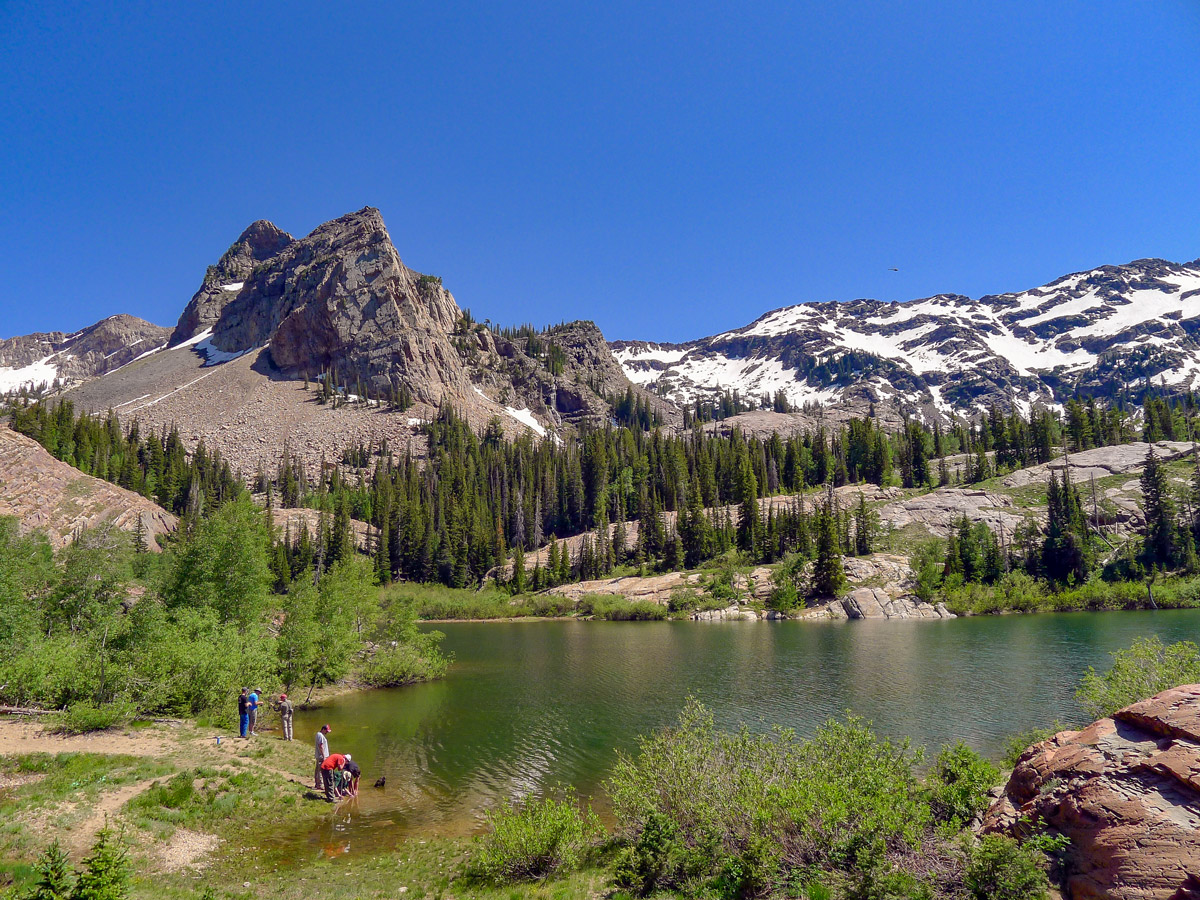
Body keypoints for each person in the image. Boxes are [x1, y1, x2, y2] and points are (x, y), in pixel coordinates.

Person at [314, 724, 331, 790]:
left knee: (318, 770)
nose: (327, 732)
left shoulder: (318, 735)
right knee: (320, 770)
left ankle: (317, 783)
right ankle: (320, 784)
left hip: (319, 756)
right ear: (323, 729)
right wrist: (324, 756)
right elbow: (321, 746)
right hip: (321, 756)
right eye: (326, 731)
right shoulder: (320, 736)